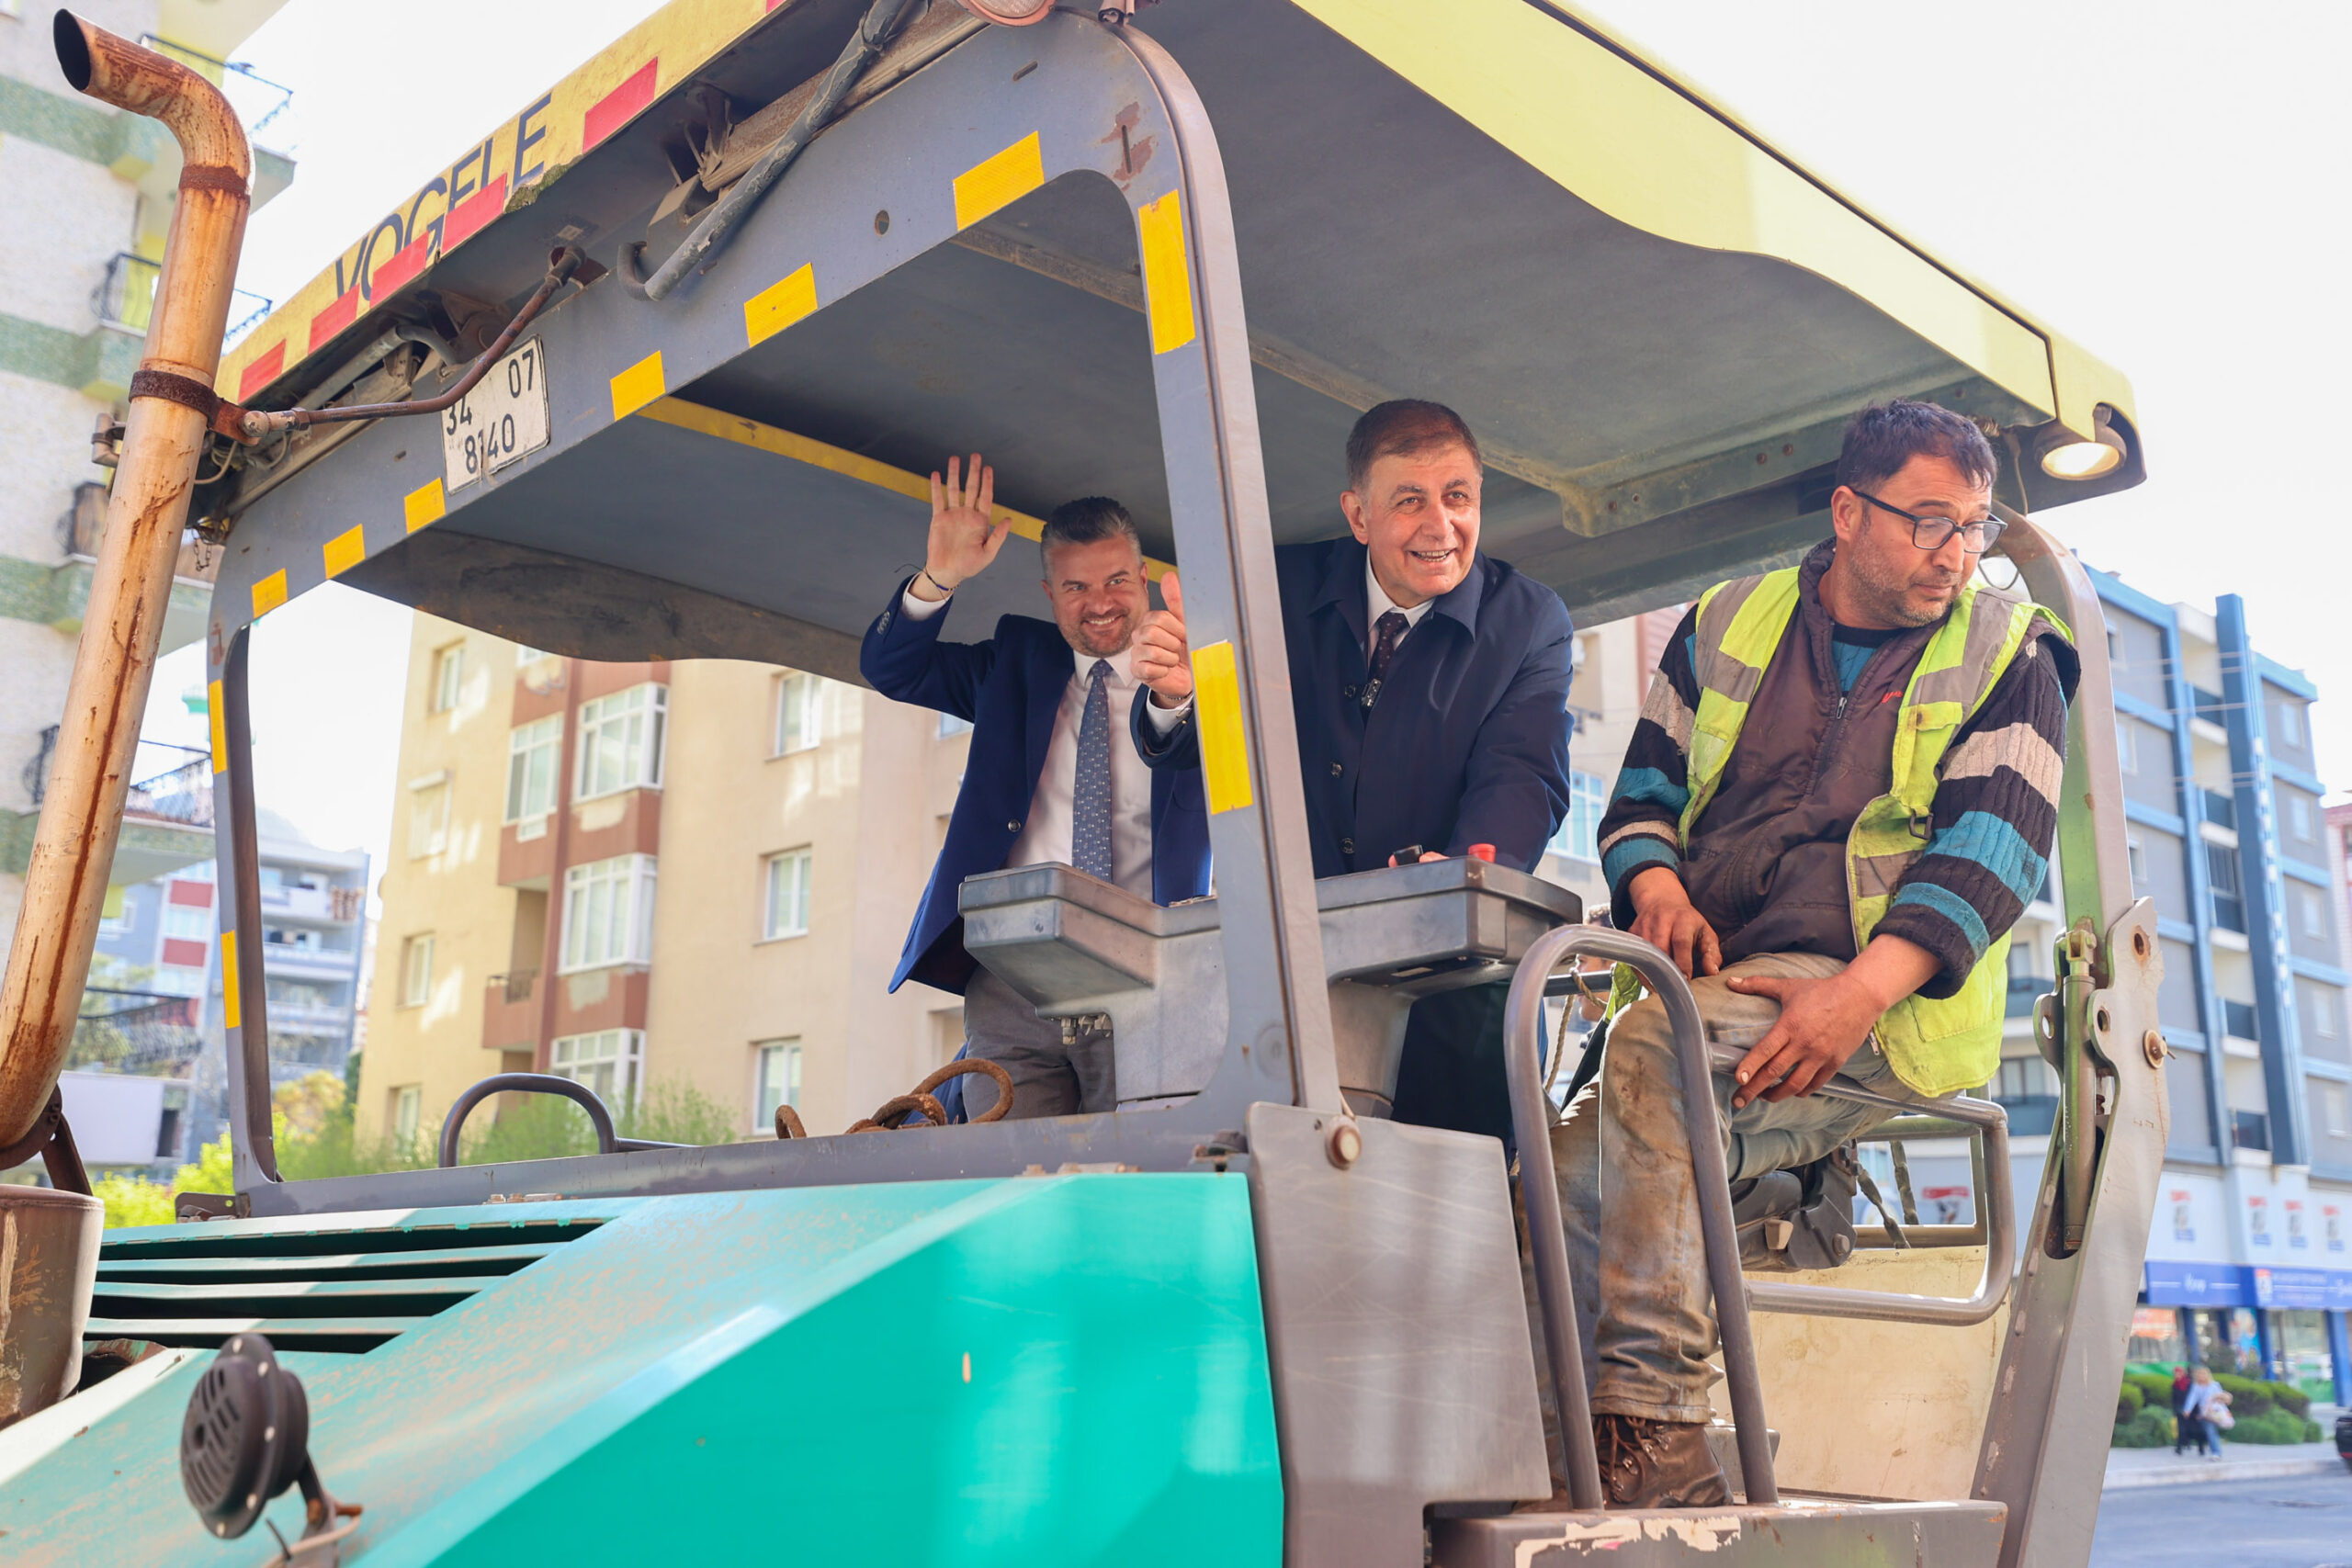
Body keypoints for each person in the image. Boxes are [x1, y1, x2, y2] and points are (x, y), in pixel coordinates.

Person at [1557, 399, 2079, 1507]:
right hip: (1710, 978)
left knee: (1654, 1055)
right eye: (1929, 522)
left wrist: (1855, 996)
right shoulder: (1725, 621)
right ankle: (1558, 1428)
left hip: (1877, 993)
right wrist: (1653, 887)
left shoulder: (2010, 652)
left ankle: (1650, 1433)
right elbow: (1638, 798)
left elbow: (1991, 857)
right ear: (1848, 513)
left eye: (1974, 527)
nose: (1956, 553)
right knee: (1549, 1151)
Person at [1128, 400, 1577, 1134]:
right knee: (1289, 1204)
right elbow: (1198, 751)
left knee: (1457, 1219)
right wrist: (1178, 698)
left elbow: (1523, 774)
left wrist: (1454, 871)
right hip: (1288, 981)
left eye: (1458, 497)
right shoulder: (1268, 589)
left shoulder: (1531, 621)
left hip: (1452, 982)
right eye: (1410, 501)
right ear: (1358, 514)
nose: (1441, 527)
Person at [861, 457, 1209, 1118]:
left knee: (1131, 1167)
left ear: (1144, 579)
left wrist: (1179, 698)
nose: (1100, 602)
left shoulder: (1196, 677)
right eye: (1076, 587)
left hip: (1148, 970)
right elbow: (891, 669)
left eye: (1115, 580)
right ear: (1049, 593)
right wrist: (939, 577)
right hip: (1013, 972)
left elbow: (1194, 750)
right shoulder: (1012, 664)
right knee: (1007, 1171)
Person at [2180, 1367, 2225, 1458]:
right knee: (2209, 1431)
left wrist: (2222, 1406)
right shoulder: (2196, 1387)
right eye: (2200, 1374)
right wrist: (2187, 1410)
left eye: (2204, 1374)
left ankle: (2216, 1452)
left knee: (2211, 1431)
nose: (2202, 1376)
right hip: (2205, 1413)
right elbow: (2192, 1399)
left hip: (2215, 1411)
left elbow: (2221, 1397)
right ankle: (2214, 1448)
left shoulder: (2214, 1385)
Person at [2170, 1365, 2194, 1456]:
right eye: (2175, 1373)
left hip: (2188, 1409)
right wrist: (2174, 1410)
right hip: (2179, 1409)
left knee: (2187, 1427)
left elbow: (2191, 1398)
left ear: (2183, 1373)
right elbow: (2174, 1399)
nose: (2177, 1375)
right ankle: (2179, 1447)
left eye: (2179, 1373)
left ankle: (2187, 1443)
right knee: (2181, 1428)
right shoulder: (2175, 1384)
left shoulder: (2189, 1383)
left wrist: (2189, 1409)